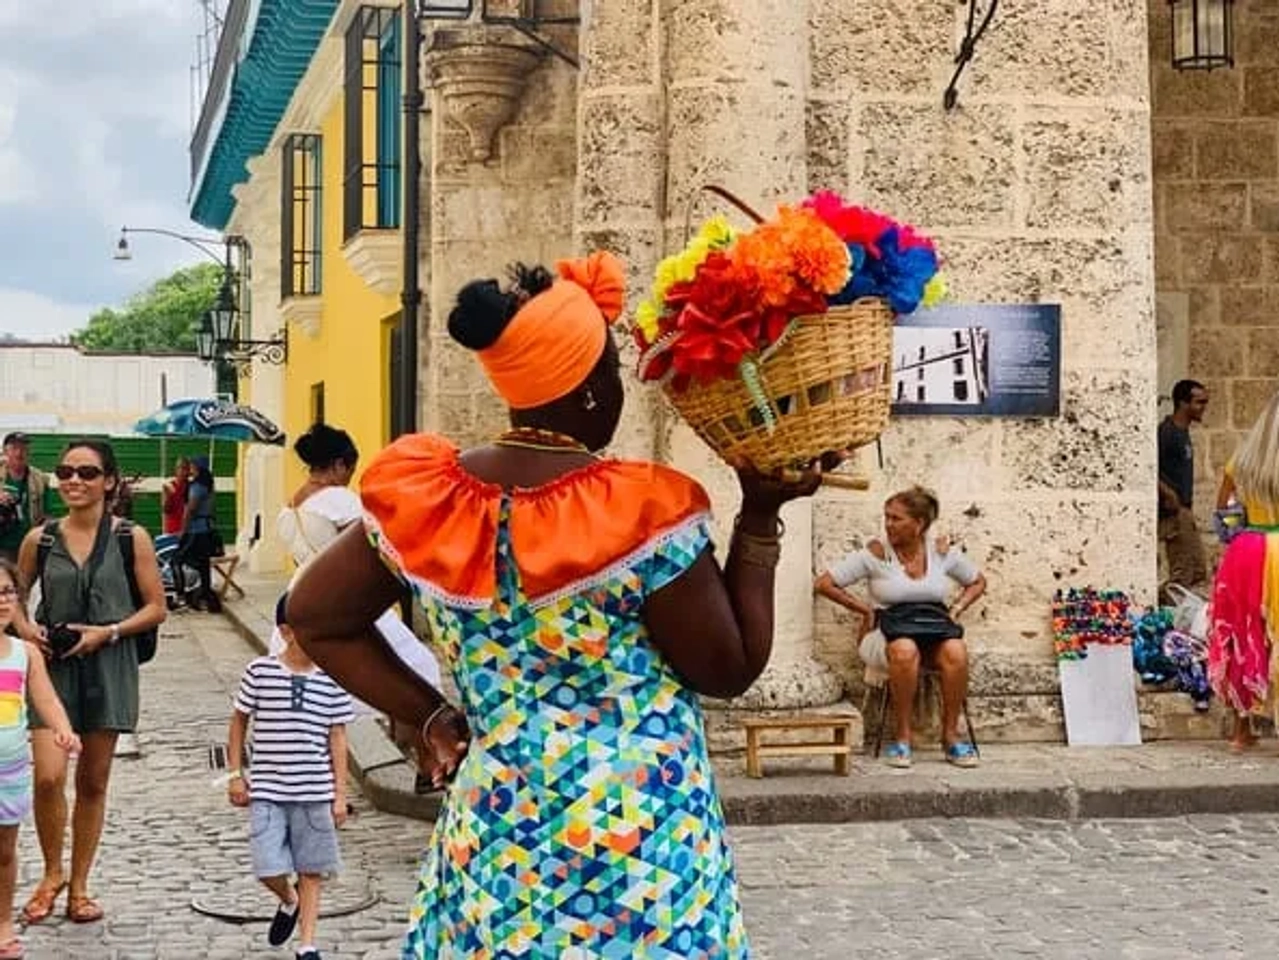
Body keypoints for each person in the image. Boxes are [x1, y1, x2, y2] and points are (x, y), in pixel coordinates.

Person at [285, 252, 830, 957]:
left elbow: (316, 616)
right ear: (593, 392)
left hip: (500, 831)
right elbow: (729, 668)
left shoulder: (433, 502)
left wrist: (430, 715)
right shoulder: (641, 511)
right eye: (613, 371)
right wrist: (758, 516)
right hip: (643, 844)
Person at [9, 439, 166, 925]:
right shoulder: (40, 539)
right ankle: (51, 872)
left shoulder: (131, 538)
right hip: (50, 669)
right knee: (47, 776)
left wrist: (108, 632)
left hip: (109, 666)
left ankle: (79, 886)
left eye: (87, 472)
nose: (74, 480)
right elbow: (13, 595)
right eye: (65, 472)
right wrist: (26, 630)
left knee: (93, 781)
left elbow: (156, 607)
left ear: (109, 481)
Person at [275, 423, 443, 788]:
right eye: (350, 469)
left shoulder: (289, 507)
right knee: (418, 671)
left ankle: (311, 780)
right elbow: (377, 549)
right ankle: (427, 763)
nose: (350, 476)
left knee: (315, 696)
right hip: (345, 600)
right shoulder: (340, 501)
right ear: (338, 465)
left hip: (300, 599)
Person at [815, 486, 987, 769]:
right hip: (885, 634)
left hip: (932, 631)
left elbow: (978, 581)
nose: (888, 524)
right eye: (887, 517)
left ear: (919, 524)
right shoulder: (876, 553)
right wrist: (865, 610)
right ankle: (902, 737)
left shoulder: (941, 552)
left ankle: (950, 736)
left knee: (956, 650)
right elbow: (824, 583)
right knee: (905, 650)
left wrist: (956, 609)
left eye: (896, 518)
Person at [227, 594, 353, 960]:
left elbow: (338, 737)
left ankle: (307, 944)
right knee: (267, 865)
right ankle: (288, 898)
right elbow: (238, 722)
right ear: (286, 632)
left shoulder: (332, 679)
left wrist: (340, 794)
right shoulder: (260, 672)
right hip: (268, 789)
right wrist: (235, 774)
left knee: (311, 869)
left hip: (315, 790)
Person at [0, 559, 80, 960]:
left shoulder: (25, 653)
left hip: (10, 772)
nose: (1, 601)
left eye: (7, 592)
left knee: (4, 852)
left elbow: (45, 699)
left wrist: (63, 729)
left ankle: (2, 922)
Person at [1208, 390, 1279, 752]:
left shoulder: (1242, 461)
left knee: (1243, 635)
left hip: (1246, 551)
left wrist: (1243, 531)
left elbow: (1223, 514)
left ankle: (1241, 730)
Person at [1159, 379, 1209, 603]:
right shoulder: (1167, 433)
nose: (1203, 407)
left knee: (1197, 572)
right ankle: (1155, 604)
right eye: (1199, 402)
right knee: (1182, 576)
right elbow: (1147, 467)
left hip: (1184, 511)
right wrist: (1167, 492)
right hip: (1174, 513)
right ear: (1183, 403)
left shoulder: (1182, 432)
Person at [0, 433, 53, 565]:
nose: (19, 453)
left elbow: (47, 514)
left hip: (29, 546)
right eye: (14, 448)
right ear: (5, 451)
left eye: (23, 448)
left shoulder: (40, 478)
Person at [179, 456, 221, 613]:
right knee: (203, 566)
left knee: (177, 560)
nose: (190, 469)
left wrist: (183, 530)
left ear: (198, 468)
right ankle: (206, 598)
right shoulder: (208, 485)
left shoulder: (197, 487)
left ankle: (182, 596)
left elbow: (191, 509)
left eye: (192, 466)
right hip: (207, 529)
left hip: (196, 530)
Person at [161, 458, 191, 536]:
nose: (182, 471)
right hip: (172, 529)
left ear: (189, 471)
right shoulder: (169, 486)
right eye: (179, 468)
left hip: (187, 531)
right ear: (175, 470)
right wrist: (169, 495)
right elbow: (166, 510)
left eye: (185, 468)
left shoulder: (192, 487)